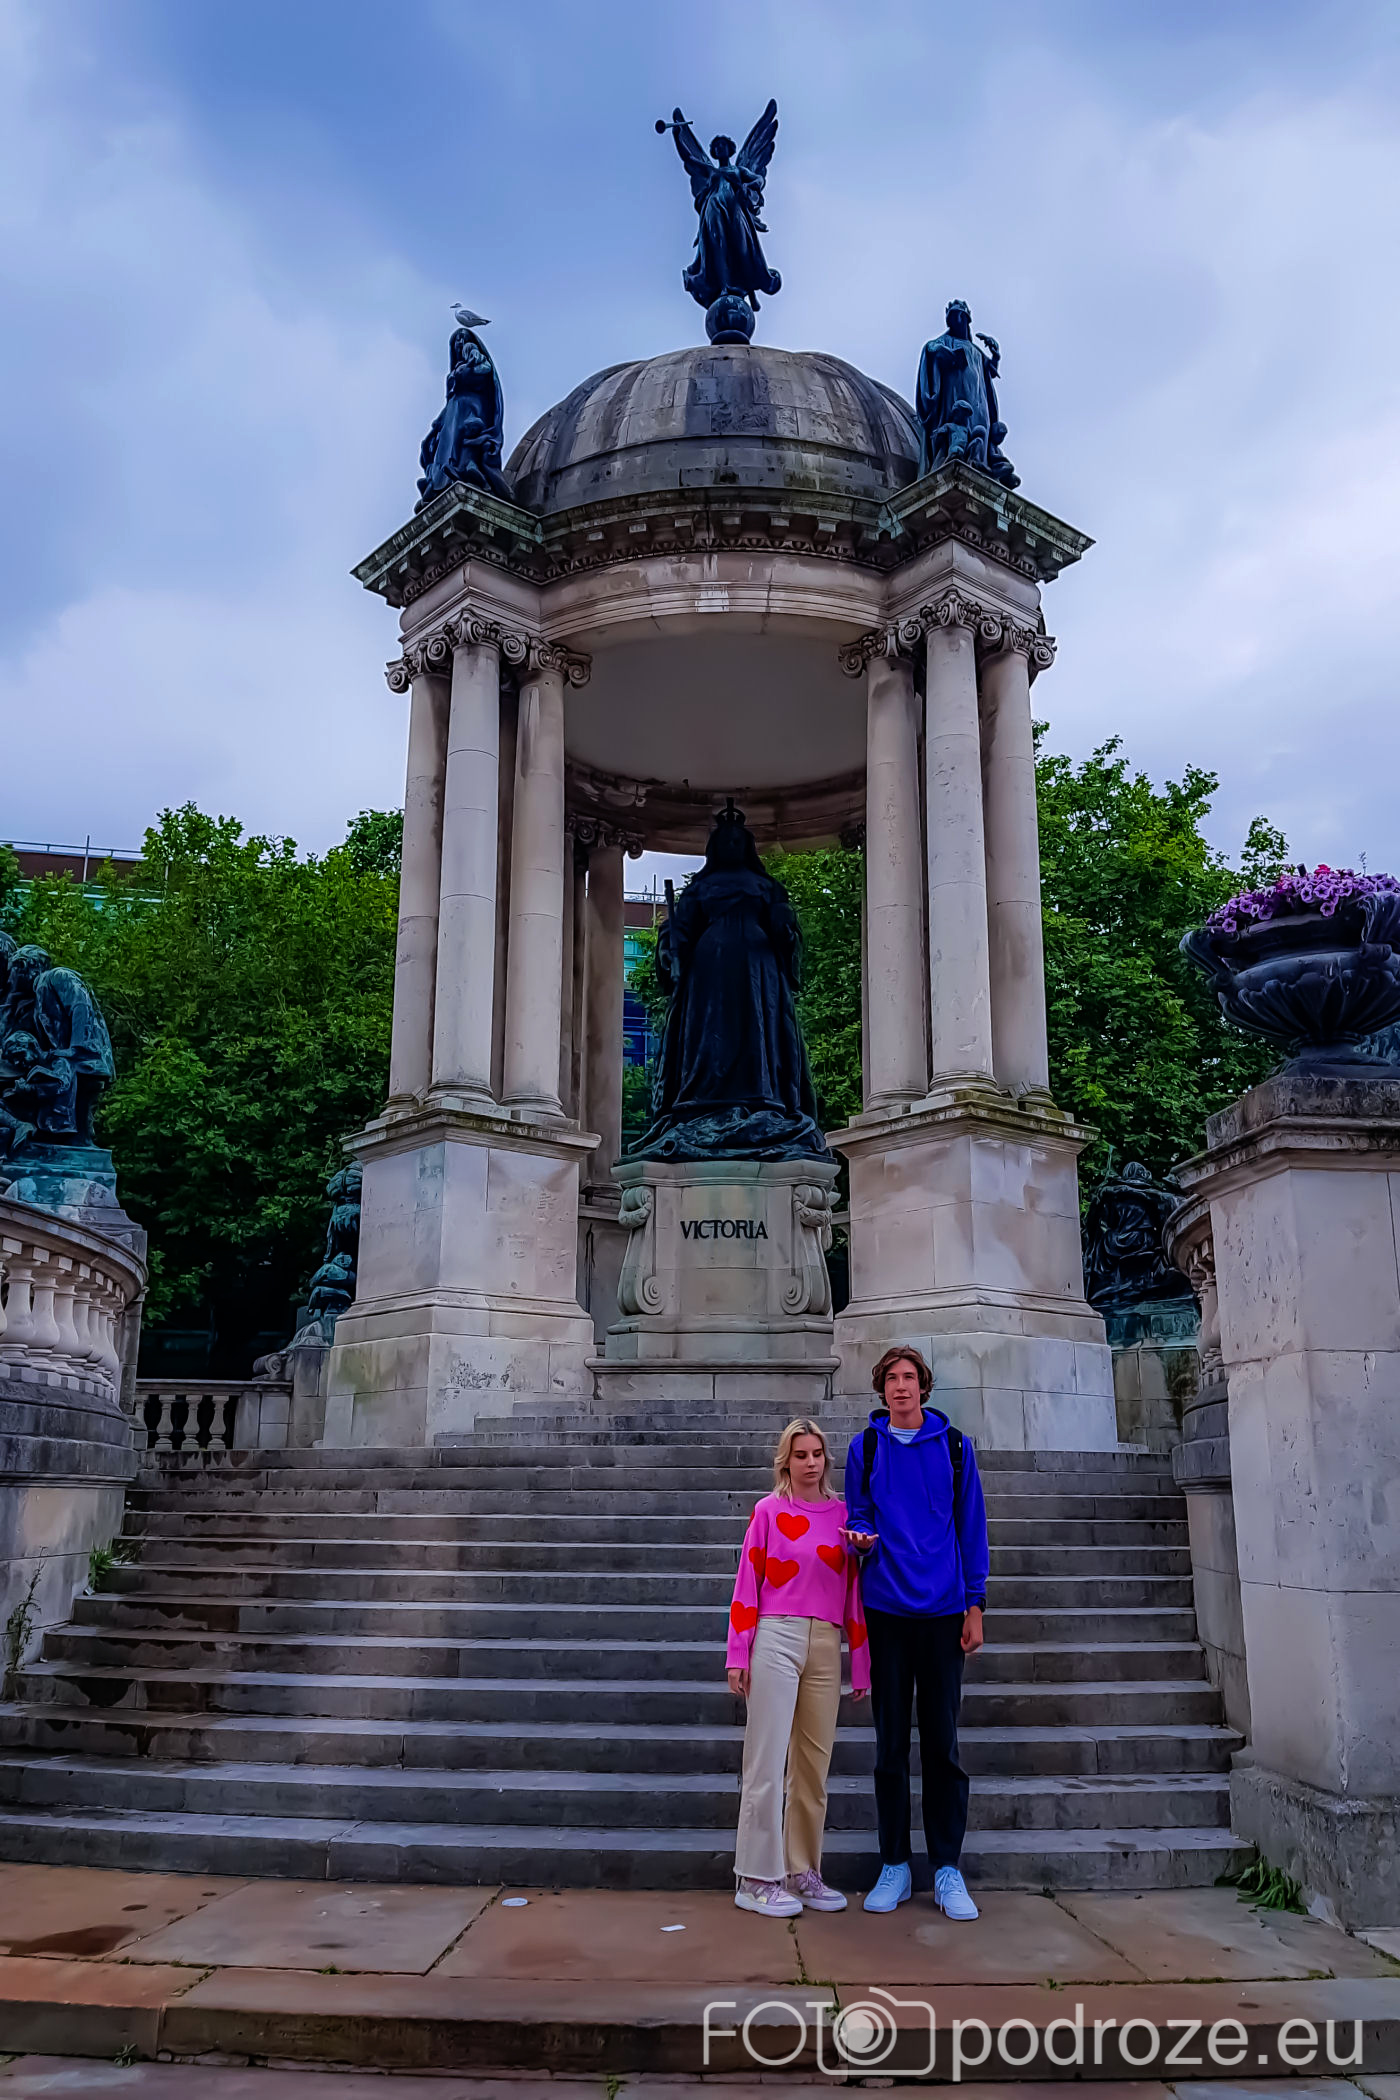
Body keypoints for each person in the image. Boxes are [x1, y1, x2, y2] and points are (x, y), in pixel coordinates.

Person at [842, 1347, 990, 1921]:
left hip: (944, 1610)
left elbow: (971, 1527)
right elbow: (858, 1512)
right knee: (889, 1746)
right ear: (881, 1389)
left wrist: (975, 1604)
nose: (900, 1386)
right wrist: (860, 1536)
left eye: (909, 1378)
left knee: (942, 1743)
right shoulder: (865, 1447)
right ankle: (895, 1864)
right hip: (886, 1609)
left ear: (923, 1387)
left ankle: (947, 1867)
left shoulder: (956, 1448)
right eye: (891, 1379)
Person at [726, 1417, 870, 1917]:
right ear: (785, 1461)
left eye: (817, 1454)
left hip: (826, 1642)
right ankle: (755, 1877)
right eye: (801, 1455)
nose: (810, 1463)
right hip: (776, 1635)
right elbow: (747, 1582)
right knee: (765, 1760)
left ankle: (801, 1870)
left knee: (813, 1765)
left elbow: (853, 1594)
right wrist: (738, 1653)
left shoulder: (844, 1516)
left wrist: (861, 1663)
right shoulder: (768, 1511)